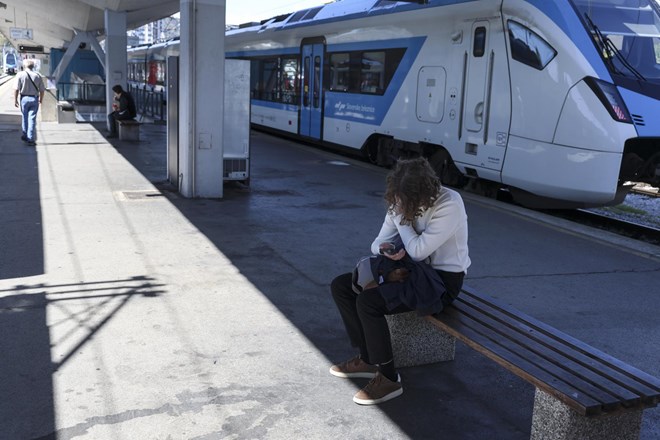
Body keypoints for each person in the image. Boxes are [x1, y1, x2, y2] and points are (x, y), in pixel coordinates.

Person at [329, 157, 471, 405]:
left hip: (441, 282)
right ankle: (367, 358)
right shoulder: (400, 199)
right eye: (398, 198)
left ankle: (388, 378)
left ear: (424, 194)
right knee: (341, 286)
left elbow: (418, 251)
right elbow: (376, 244)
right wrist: (386, 249)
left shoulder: (450, 203)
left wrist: (402, 221)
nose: (401, 204)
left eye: (408, 201)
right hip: (411, 270)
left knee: (368, 303)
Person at [13, 60, 46, 146]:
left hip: (24, 98)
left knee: (25, 117)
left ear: (24, 66)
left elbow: (16, 88)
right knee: (32, 118)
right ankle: (30, 138)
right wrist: (41, 100)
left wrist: (15, 100)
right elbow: (42, 90)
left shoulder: (20, 75)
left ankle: (25, 135)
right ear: (33, 66)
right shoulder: (38, 76)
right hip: (34, 99)